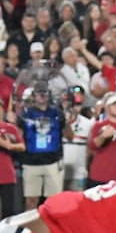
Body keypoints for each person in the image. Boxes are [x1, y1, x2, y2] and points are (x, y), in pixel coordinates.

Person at [17, 81, 74, 210]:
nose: (42, 96)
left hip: (52, 161)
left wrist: (67, 122)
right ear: (34, 95)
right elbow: (19, 137)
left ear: (49, 94)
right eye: (39, 93)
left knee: (54, 201)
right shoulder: (25, 114)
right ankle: (30, 229)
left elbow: (70, 136)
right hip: (31, 161)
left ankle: (51, 229)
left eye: (44, 93)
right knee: (31, 200)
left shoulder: (57, 113)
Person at [0, 110, 24, 218]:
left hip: (7, 174)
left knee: (8, 211)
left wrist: (11, 146)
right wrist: (5, 143)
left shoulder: (10, 128)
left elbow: (22, 147)